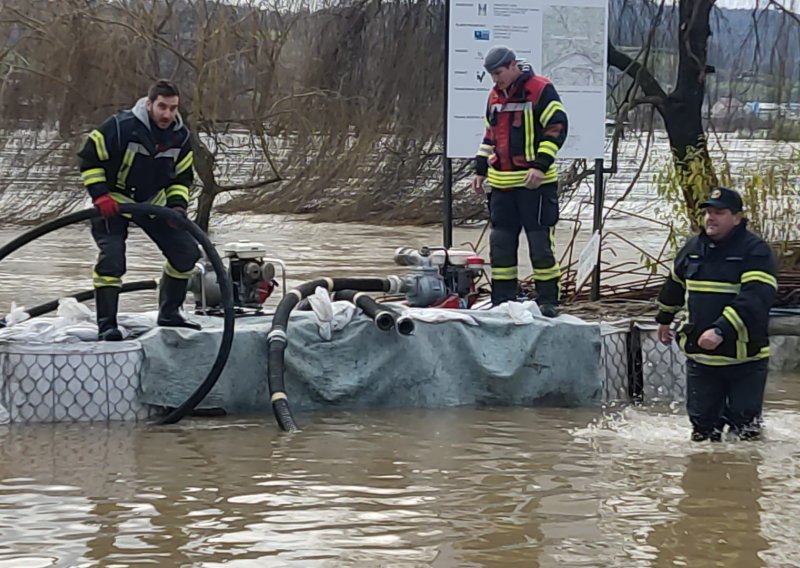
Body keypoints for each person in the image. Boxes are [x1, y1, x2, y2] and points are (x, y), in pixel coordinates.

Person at [78, 79, 201, 341]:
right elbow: (89, 158)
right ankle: (107, 326)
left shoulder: (181, 137)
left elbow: (181, 178)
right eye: (162, 107)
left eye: (173, 108)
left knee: (187, 253)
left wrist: (178, 207)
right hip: (113, 202)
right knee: (112, 259)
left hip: (153, 202)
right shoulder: (121, 127)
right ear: (149, 104)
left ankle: (169, 313)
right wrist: (100, 196)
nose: (167, 114)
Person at [655, 187, 778, 441]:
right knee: (702, 434)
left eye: (719, 212)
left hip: (745, 360)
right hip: (702, 360)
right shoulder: (692, 248)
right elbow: (675, 284)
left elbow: (756, 298)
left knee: (745, 435)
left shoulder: (756, 251)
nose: (711, 218)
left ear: (737, 217)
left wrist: (722, 329)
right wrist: (664, 319)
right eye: (708, 212)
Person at [471, 45, 568, 317]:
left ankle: (548, 301)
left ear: (513, 65)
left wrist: (540, 166)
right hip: (501, 185)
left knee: (540, 246)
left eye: (499, 73)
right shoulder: (494, 96)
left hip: (535, 185)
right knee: (500, 245)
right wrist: (480, 169)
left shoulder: (540, 89)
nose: (495, 79)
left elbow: (557, 128)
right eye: (491, 75)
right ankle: (503, 301)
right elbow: (490, 135)